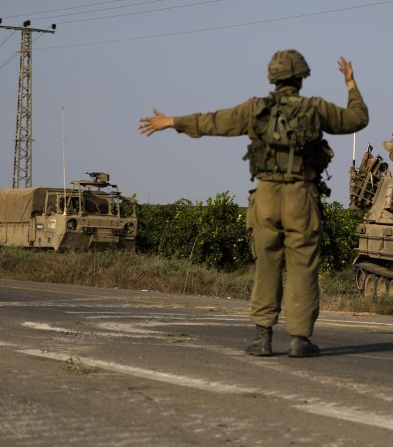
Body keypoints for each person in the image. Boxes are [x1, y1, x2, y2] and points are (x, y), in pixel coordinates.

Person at [138, 50, 368, 358]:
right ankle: (300, 340)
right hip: (302, 196)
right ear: (301, 78)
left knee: (266, 265)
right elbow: (358, 119)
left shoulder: (254, 109)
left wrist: (172, 121)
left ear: (272, 78)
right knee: (302, 267)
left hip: (266, 196)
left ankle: (263, 337)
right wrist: (350, 82)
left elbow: (214, 122)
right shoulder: (316, 109)